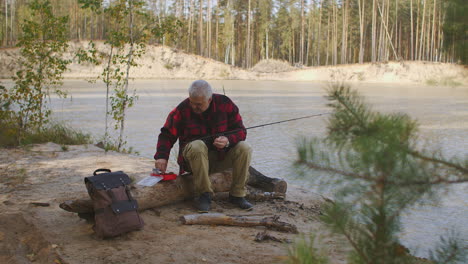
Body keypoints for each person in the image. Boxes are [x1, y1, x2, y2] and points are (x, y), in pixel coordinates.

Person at [154, 80, 253, 213]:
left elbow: (241, 131)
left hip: (220, 158)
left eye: (199, 104)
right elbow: (166, 134)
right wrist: (161, 156)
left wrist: (227, 140)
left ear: (210, 99)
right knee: (197, 146)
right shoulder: (182, 109)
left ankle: (237, 195)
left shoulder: (225, 104)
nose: (194, 107)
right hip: (193, 161)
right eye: (192, 102)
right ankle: (204, 195)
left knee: (244, 148)